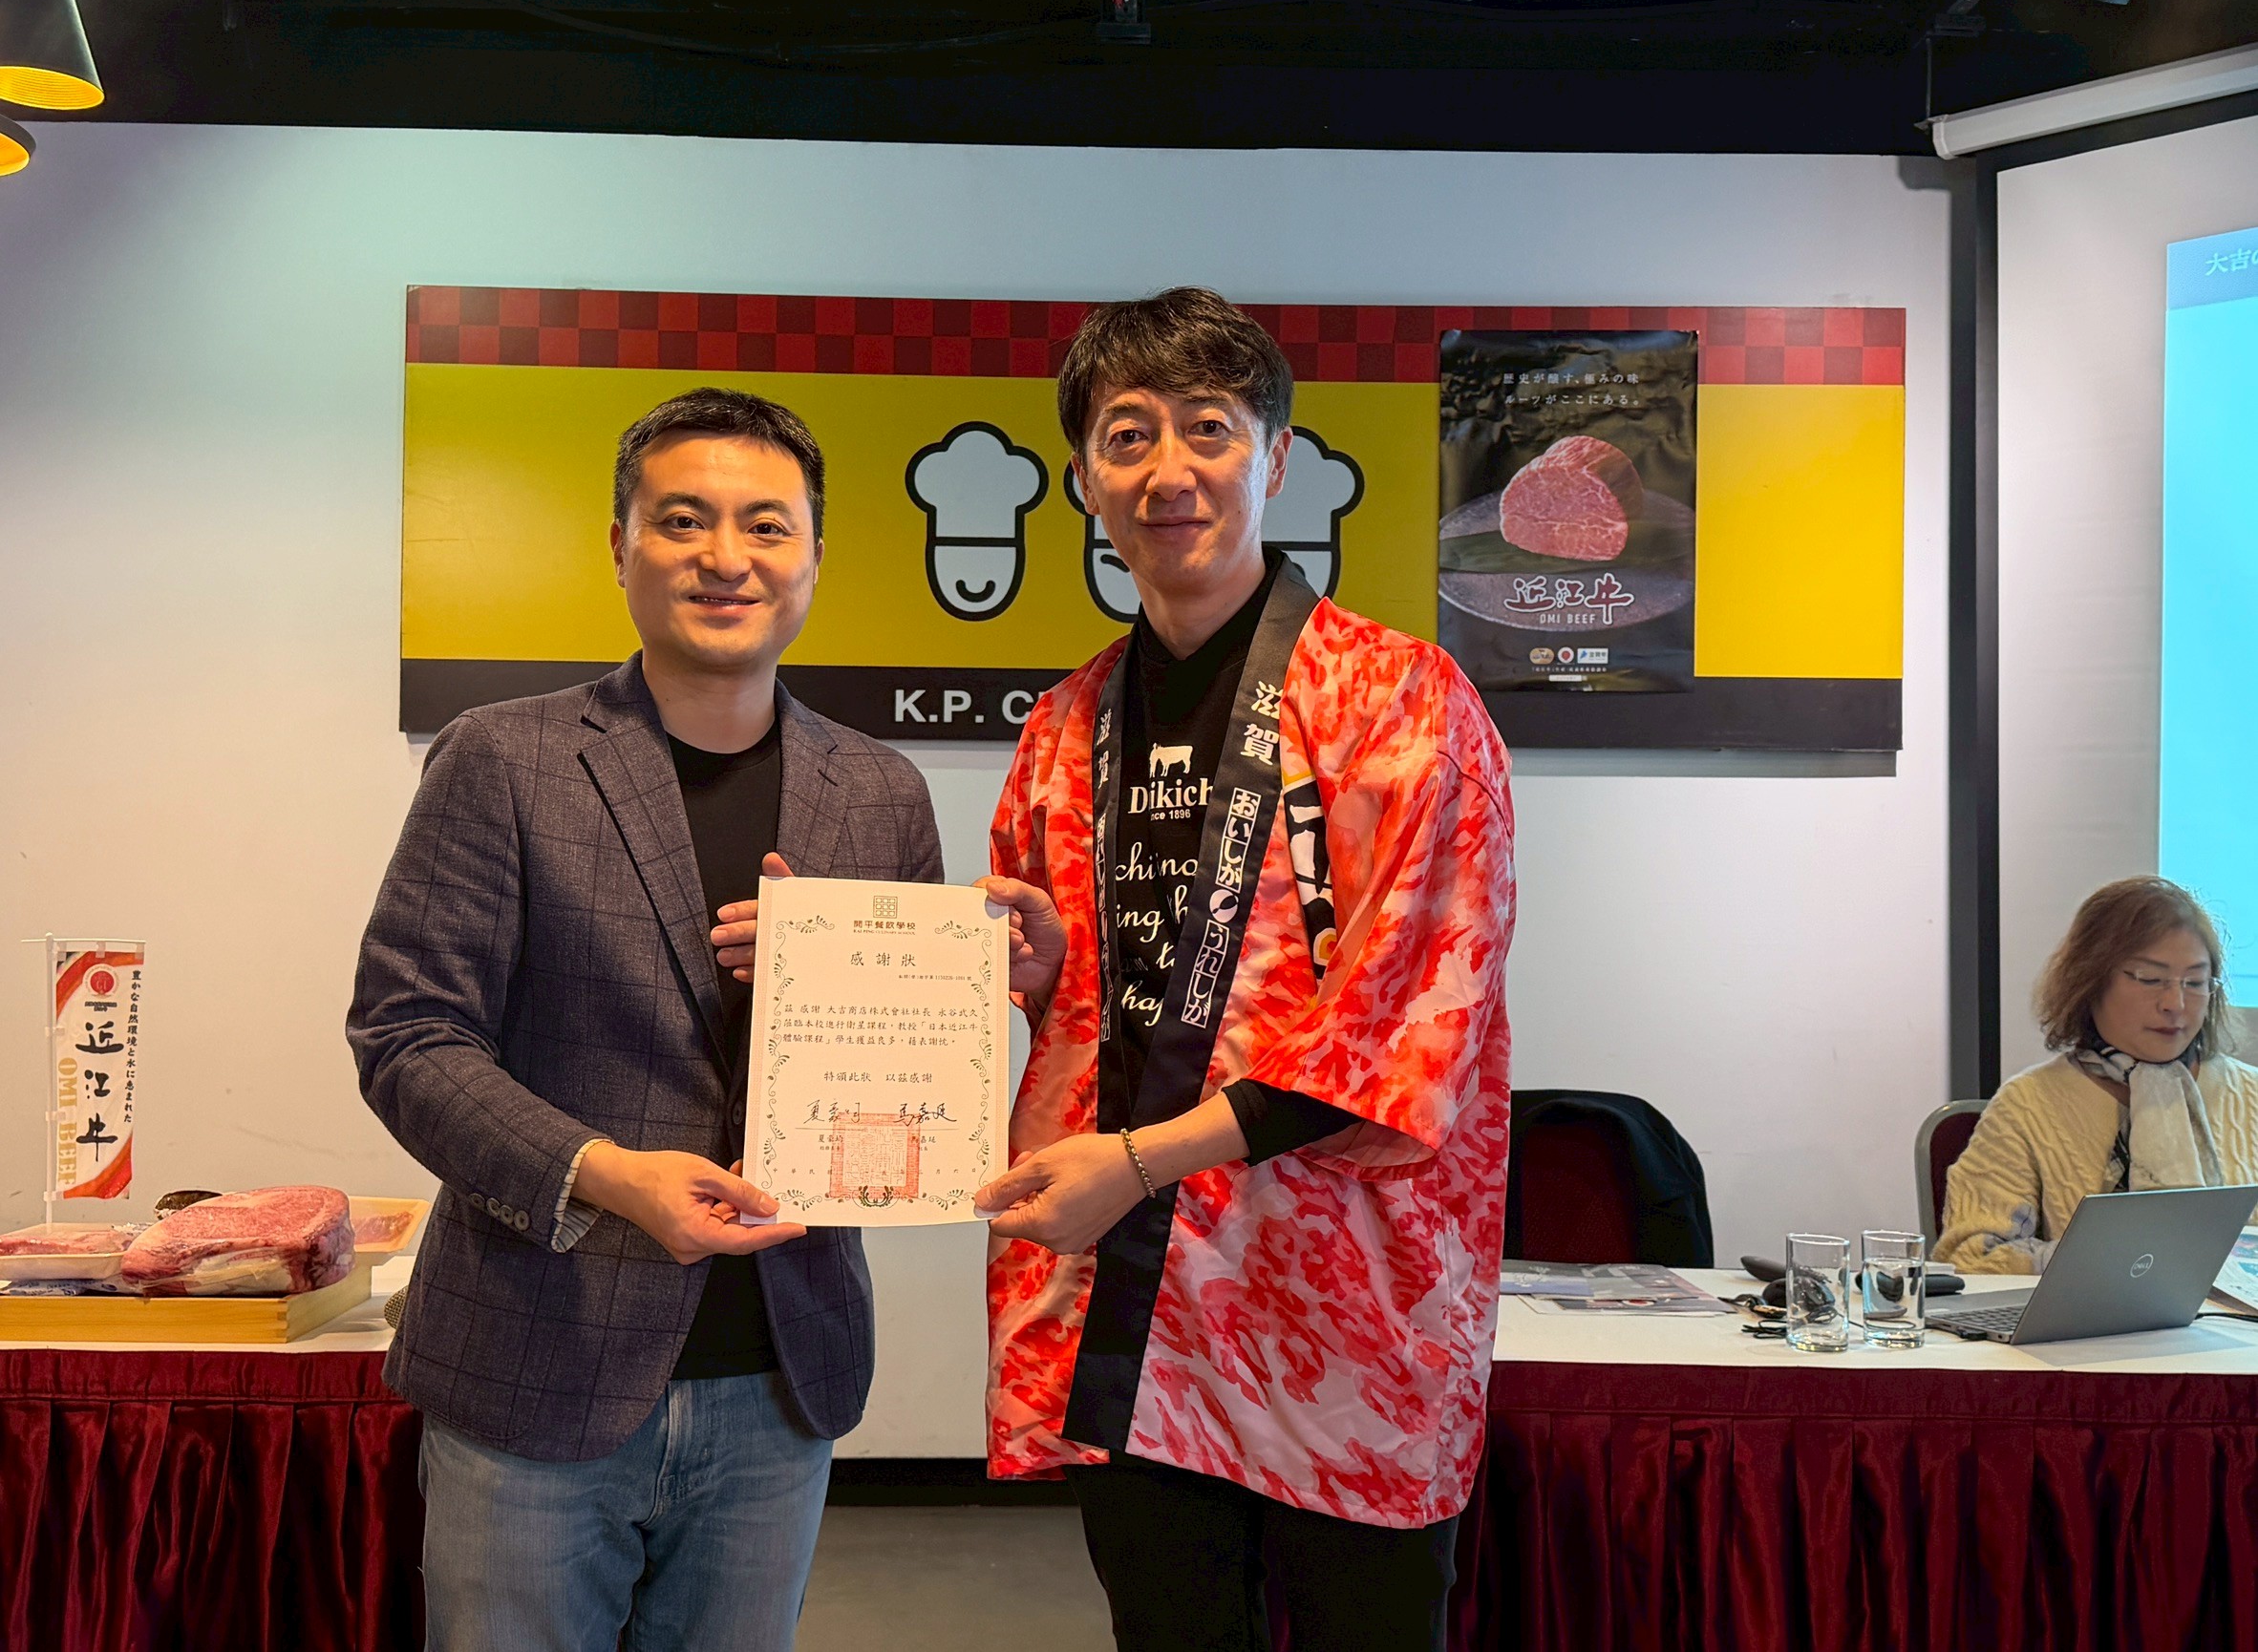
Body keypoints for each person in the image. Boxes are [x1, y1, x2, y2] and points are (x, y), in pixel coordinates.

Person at [349, 387, 943, 1652]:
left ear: (815, 557)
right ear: (620, 545)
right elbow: (408, 1034)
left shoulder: (879, 791)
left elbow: (905, 1075)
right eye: (683, 520)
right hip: (534, 1362)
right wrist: (608, 1174)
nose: (727, 556)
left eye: (767, 525)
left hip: (781, 1375)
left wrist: (890, 986)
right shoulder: (503, 758)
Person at [973, 287, 1516, 1652]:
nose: (1170, 470)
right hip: (1143, 1309)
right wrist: (1031, 970)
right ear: (1084, 479)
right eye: (1127, 435)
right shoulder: (1063, 727)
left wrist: (1141, 1160)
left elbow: (1407, 1029)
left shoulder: (1401, 702)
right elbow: (1082, 1014)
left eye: (1208, 428)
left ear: (1275, 457)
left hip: (1346, 1319)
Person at [1938, 876, 2258, 1275]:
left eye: (2195, 983)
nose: (2175, 1004)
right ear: (2090, 980)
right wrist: (2104, 1264)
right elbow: (1969, 1257)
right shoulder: (2029, 1104)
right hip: (2087, 1317)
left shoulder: (2249, 1096)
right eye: (2150, 979)